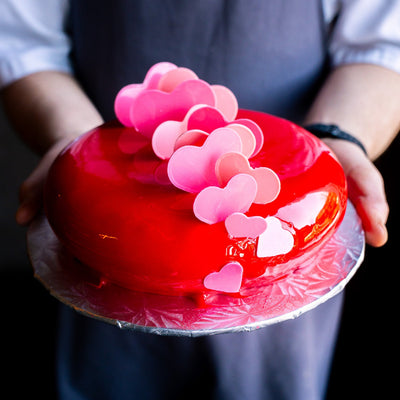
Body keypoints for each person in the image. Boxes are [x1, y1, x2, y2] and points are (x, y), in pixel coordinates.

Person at [1, 1, 399, 399]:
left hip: (291, 224)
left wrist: (339, 135)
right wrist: (74, 142)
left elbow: (381, 46)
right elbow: (21, 43)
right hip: (104, 241)